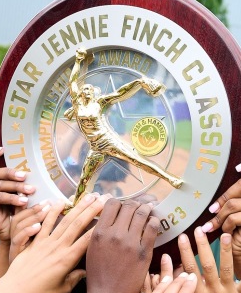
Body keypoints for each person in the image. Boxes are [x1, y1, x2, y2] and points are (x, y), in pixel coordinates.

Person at [65, 47, 183, 206]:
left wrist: (138, 83)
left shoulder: (99, 103)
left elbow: (120, 93)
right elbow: (73, 82)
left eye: (89, 89)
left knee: (137, 160)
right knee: (85, 178)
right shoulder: (78, 105)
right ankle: (75, 205)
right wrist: (78, 61)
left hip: (108, 140)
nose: (86, 90)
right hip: (95, 147)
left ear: (93, 93)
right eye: (84, 89)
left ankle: (170, 178)